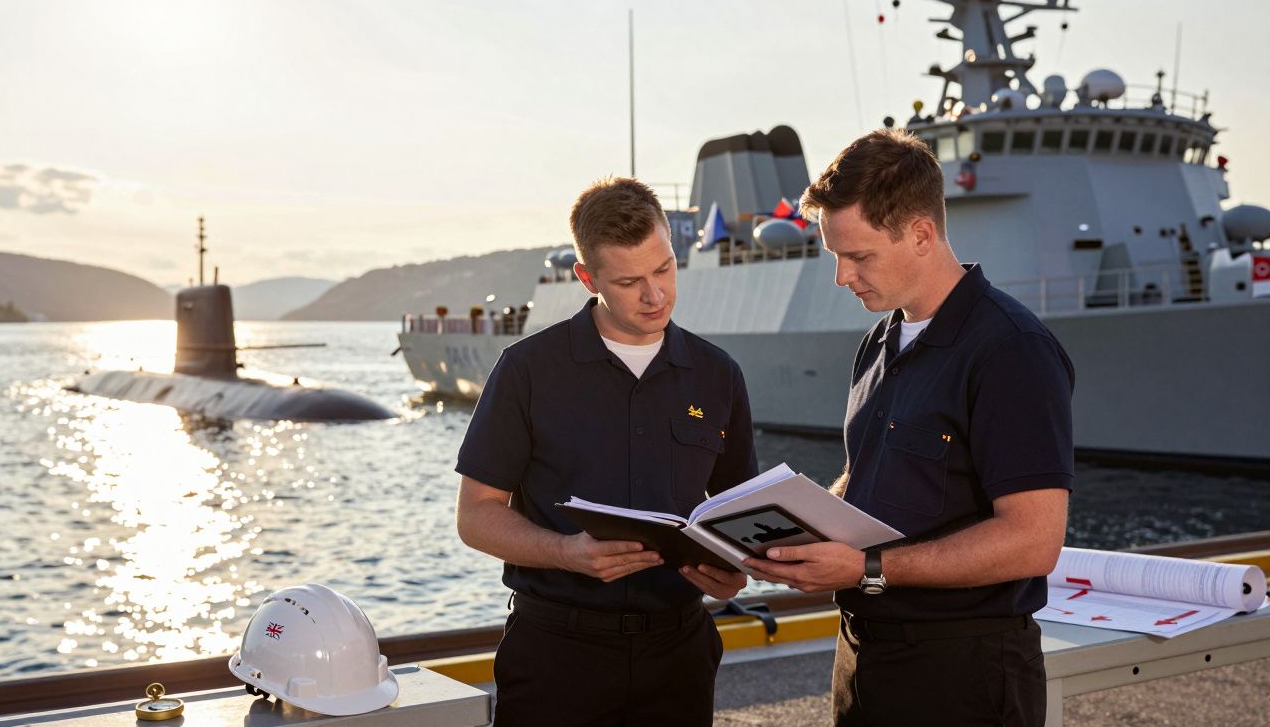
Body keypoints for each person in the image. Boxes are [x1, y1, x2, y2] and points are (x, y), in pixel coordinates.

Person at [745, 129, 1074, 727]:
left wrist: (868, 567)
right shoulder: (880, 340)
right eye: (834, 256)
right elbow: (871, 476)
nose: (841, 277)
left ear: (922, 234)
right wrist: (796, 531)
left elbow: (1034, 541)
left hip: (964, 673)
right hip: (865, 657)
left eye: (859, 256)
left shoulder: (1011, 349)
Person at [455, 176, 759, 726]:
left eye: (664, 268)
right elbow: (475, 517)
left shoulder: (719, 375)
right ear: (587, 278)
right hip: (556, 654)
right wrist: (565, 552)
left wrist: (736, 570)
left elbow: (742, 512)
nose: (655, 294)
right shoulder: (527, 370)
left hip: (679, 653)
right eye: (629, 281)